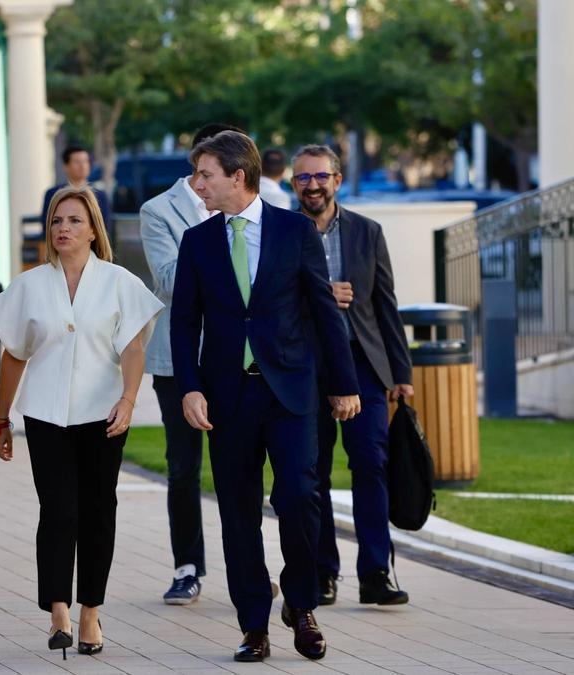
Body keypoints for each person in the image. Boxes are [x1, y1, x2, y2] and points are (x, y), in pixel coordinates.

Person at [169, 131, 360, 663]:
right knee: (237, 512)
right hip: (227, 397)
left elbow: (324, 310)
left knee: (300, 496)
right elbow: (184, 325)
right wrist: (190, 387)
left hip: (291, 392)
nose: (196, 184)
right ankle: (253, 623)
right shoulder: (198, 241)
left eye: (205, 174)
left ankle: (301, 605)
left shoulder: (294, 232)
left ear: (238, 176)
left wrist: (343, 383)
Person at [0, 186, 162, 660]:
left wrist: (129, 400)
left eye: (73, 221)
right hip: (46, 415)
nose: (63, 229)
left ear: (93, 231)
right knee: (59, 511)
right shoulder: (28, 287)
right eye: (56, 221)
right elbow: (14, 355)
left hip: (103, 414)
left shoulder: (118, 282)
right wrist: (1, 418)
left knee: (97, 513)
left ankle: (91, 611)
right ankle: (58, 611)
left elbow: (133, 348)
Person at [291, 144, 413, 607]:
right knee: (312, 471)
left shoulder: (367, 231)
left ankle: (376, 573)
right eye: (303, 178)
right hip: (306, 366)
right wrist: (318, 295)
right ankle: (323, 574)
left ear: (337, 180)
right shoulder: (280, 231)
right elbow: (266, 301)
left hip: (363, 362)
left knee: (371, 465)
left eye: (321, 176)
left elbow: (385, 304)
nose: (313, 185)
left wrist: (401, 371)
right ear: (293, 184)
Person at [139, 122, 241, 606]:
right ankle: (187, 567)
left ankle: (250, 561)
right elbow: (169, 280)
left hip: (236, 358)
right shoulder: (159, 211)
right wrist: (220, 235)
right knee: (183, 467)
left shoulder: (255, 211)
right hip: (177, 359)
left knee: (241, 464)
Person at [42, 145, 114, 239]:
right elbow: (46, 226)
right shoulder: (53, 194)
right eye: (77, 162)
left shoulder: (100, 195)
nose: (82, 165)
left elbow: (105, 227)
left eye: (85, 161)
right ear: (66, 166)